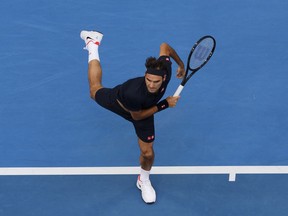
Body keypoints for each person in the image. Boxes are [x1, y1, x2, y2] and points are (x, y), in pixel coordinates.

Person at [80, 30, 185, 204]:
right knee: (94, 90)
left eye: (156, 82)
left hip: (145, 109)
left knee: (147, 153)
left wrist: (180, 64)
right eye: (148, 80)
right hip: (122, 103)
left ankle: (143, 180)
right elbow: (138, 116)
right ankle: (93, 44)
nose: (151, 85)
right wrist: (165, 104)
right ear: (145, 75)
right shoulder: (133, 93)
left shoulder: (165, 68)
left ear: (164, 78)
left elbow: (164, 47)